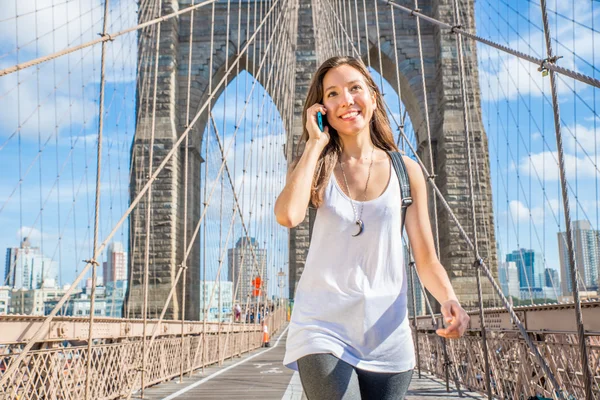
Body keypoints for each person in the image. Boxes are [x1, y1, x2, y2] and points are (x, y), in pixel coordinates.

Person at [274, 56, 470, 400]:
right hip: (321, 327)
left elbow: (425, 258)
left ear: (373, 96)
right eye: (332, 93)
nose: (346, 100)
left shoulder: (406, 171)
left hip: (386, 333)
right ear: (322, 108)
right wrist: (314, 143)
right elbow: (289, 216)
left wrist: (449, 299)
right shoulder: (316, 165)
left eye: (354, 88)